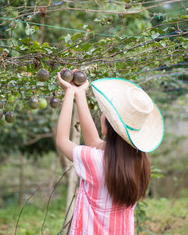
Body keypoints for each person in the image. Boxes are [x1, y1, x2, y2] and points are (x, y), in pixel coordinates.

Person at [56, 70, 164, 235]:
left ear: (109, 128)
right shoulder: (139, 161)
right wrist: (80, 94)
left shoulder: (95, 160)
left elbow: (62, 140)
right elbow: (94, 142)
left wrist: (69, 93)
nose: (102, 114)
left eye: (105, 112)